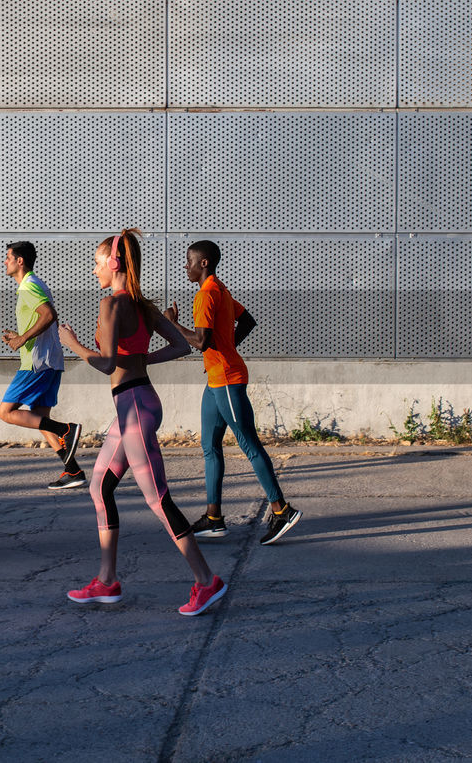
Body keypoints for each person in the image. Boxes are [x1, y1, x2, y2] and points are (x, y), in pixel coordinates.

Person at [58, 229, 228, 616]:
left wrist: (74, 345)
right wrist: (142, 360)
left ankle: (207, 581)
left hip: (133, 406)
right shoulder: (144, 307)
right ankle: (107, 581)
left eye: (98, 261)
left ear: (114, 264)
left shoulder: (111, 305)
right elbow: (183, 346)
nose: (95, 267)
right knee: (100, 487)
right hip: (135, 402)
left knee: (157, 498)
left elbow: (105, 364)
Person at [167, 239, 302, 546]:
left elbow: (200, 342)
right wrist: (228, 346)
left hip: (227, 379)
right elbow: (247, 321)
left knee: (249, 444)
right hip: (216, 379)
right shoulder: (220, 289)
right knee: (209, 447)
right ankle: (213, 517)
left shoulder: (206, 295)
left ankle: (281, 509)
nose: (184, 266)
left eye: (188, 261)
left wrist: (173, 324)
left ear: (203, 263)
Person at [0, 242, 84, 489]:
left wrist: (22, 339)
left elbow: (48, 315)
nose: (5, 262)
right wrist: (20, 335)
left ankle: (67, 429)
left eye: (8, 258)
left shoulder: (29, 286)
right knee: (39, 419)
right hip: (49, 361)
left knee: (6, 412)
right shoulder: (34, 284)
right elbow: (42, 320)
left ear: (20, 261)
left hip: (36, 363)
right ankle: (73, 471)